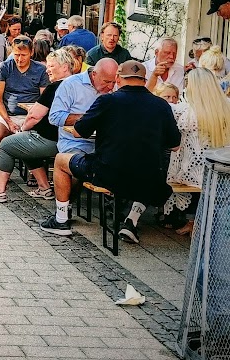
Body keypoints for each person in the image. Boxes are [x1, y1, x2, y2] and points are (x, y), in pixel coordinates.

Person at [41, 60, 180, 243]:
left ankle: (60, 220)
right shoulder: (162, 105)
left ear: (118, 78)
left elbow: (78, 131)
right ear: (144, 79)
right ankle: (131, 220)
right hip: (148, 179)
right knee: (151, 163)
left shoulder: (107, 101)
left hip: (109, 174)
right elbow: (175, 145)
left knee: (60, 160)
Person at [0, 49, 78, 203]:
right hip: (70, 140)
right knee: (23, 143)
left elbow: (34, 116)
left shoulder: (55, 87)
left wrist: (23, 128)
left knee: (7, 145)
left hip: (53, 140)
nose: (47, 69)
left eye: (51, 66)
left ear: (65, 67)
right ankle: (44, 188)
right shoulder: (79, 85)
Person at [162, 68, 230, 231]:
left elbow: (156, 104)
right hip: (221, 169)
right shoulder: (226, 107)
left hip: (189, 173)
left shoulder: (186, 110)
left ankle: (192, 222)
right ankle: (197, 222)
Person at [0, 36, 49, 154]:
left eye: (23, 55)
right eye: (16, 55)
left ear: (31, 53)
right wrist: (9, 121)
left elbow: (44, 99)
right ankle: (3, 159)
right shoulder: (4, 67)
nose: (19, 59)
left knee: (32, 142)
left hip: (32, 115)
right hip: (8, 115)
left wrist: (31, 119)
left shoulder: (41, 70)